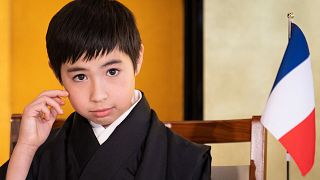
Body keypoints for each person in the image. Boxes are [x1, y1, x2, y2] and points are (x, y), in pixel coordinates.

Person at [0, 0, 211, 179]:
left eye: (112, 72)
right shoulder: (40, 152)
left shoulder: (188, 160)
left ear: (137, 59)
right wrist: (26, 147)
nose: (98, 95)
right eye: (80, 77)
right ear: (58, 74)